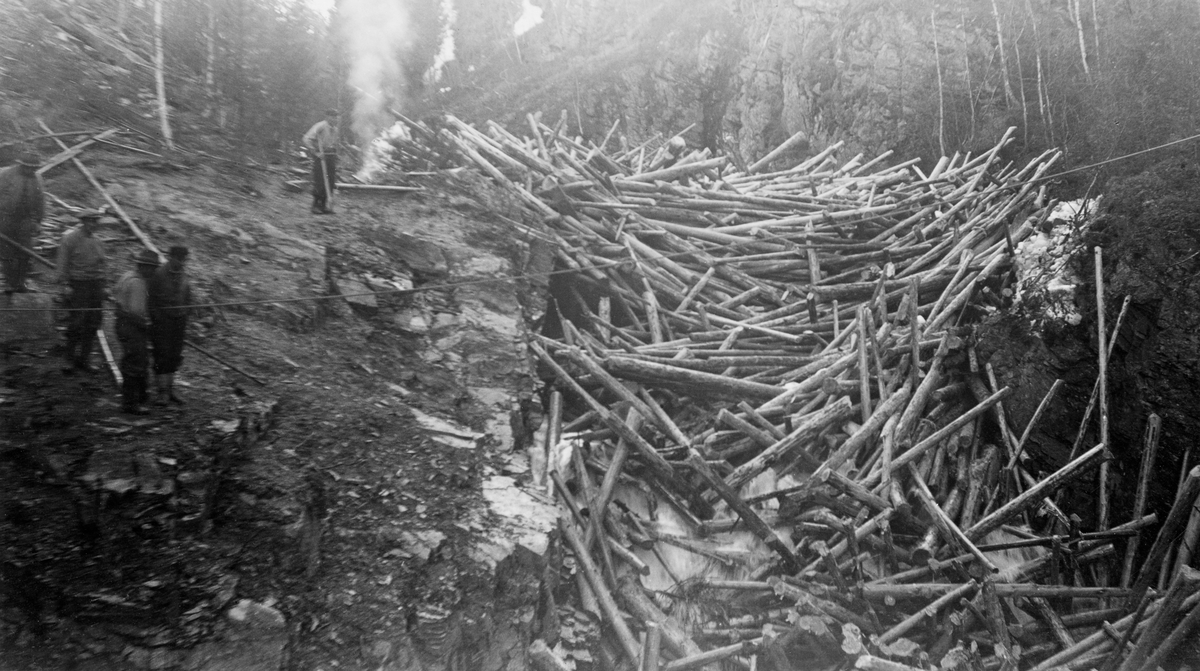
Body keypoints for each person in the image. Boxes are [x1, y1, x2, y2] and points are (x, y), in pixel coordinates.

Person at [57, 210, 107, 374]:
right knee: (76, 322)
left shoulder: (98, 241)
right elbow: (62, 263)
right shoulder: (70, 238)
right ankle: (68, 359)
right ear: (83, 221)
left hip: (95, 285)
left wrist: (104, 286)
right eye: (90, 221)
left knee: (93, 323)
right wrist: (65, 284)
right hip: (78, 285)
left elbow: (102, 266)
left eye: (96, 221)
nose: (93, 224)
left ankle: (84, 359)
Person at [113, 250, 159, 414]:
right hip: (132, 327)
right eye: (151, 268)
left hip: (121, 324)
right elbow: (136, 313)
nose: (153, 272)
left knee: (131, 360)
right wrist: (148, 326)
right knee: (135, 363)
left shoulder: (127, 276)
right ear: (144, 267)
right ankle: (130, 403)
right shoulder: (138, 283)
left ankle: (136, 397)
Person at [148, 245, 192, 405]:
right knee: (162, 355)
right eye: (178, 259)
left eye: (183, 260)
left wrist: (185, 315)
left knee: (175, 355)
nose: (181, 262)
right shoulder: (158, 275)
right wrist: (157, 319)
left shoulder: (184, 275)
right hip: (163, 322)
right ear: (170, 257)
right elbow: (151, 300)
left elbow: (188, 298)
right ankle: (162, 392)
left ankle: (171, 389)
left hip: (179, 321)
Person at [0, 152, 45, 293]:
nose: (31, 170)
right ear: (21, 165)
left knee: (26, 252)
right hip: (5, 218)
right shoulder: (6, 175)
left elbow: (40, 200)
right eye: (28, 167)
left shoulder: (37, 178)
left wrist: (38, 220)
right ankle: (9, 283)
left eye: (34, 168)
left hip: (25, 220)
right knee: (7, 252)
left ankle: (20, 283)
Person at [302, 109, 339, 214]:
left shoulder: (335, 129)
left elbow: (333, 144)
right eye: (332, 116)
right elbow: (306, 138)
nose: (335, 119)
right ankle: (315, 206)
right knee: (320, 180)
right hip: (320, 156)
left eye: (336, 117)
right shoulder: (320, 126)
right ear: (327, 116)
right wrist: (315, 152)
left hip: (330, 156)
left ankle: (324, 206)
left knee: (330, 181)